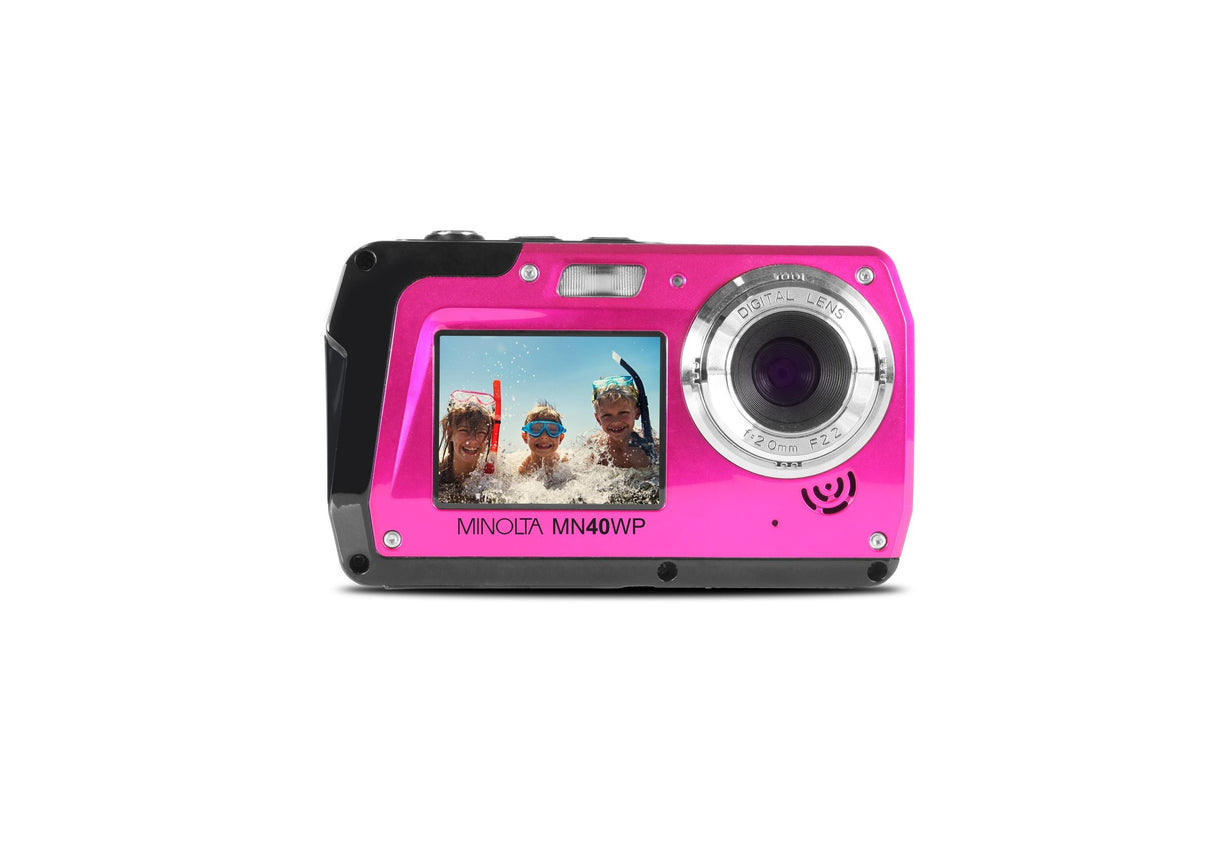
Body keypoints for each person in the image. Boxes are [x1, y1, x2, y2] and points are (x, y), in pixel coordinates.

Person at [437, 390, 495, 501]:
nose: (472, 441)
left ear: (488, 437)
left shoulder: (495, 479)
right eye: (464, 430)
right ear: (449, 432)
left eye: (481, 432)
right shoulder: (433, 478)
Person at [588, 375, 652, 469]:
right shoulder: (595, 446)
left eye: (623, 413)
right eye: (607, 415)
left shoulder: (650, 448)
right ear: (598, 419)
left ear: (637, 413)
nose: (616, 422)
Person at [517, 401, 569, 476]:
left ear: (560, 438)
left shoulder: (564, 463)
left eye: (552, 430)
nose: (544, 436)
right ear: (525, 437)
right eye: (536, 429)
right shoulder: (523, 470)